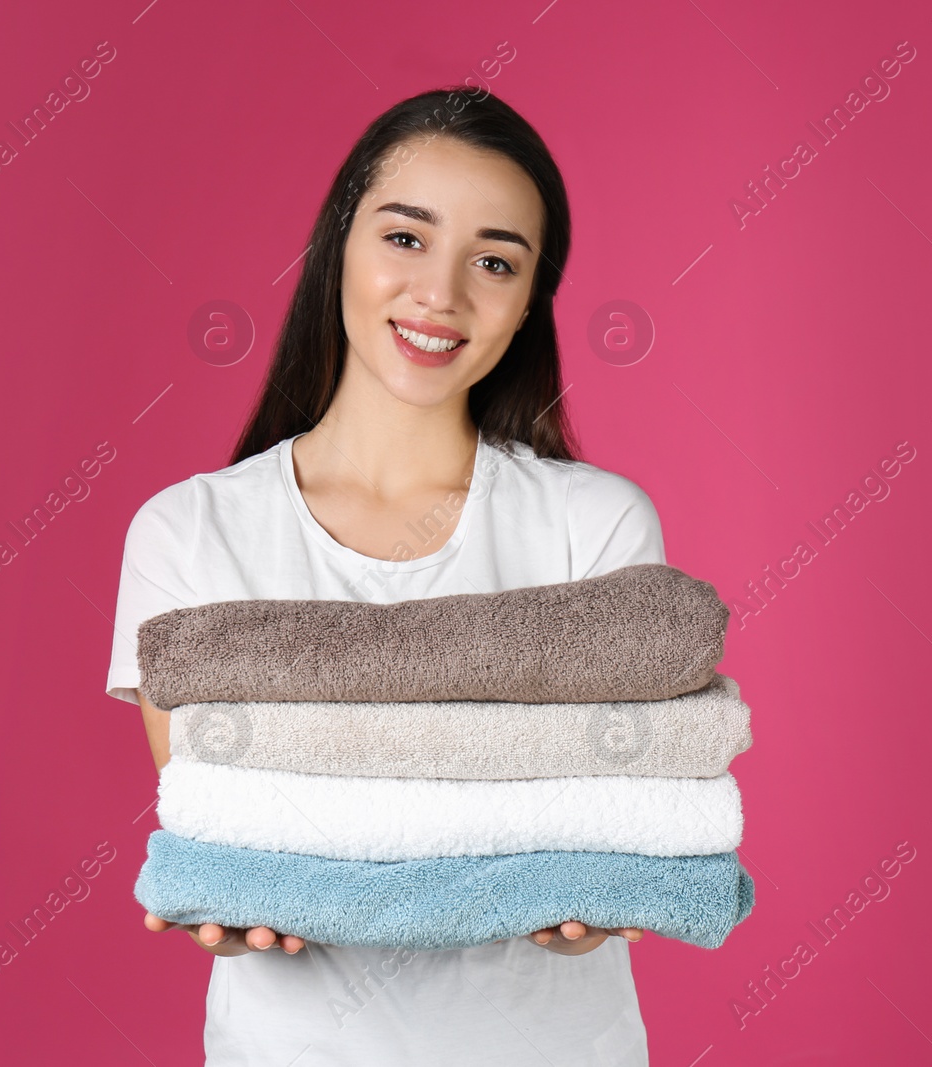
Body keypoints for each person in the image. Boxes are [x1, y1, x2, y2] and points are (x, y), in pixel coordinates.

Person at [106, 86, 667, 1065]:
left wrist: (607, 869)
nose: (440, 294)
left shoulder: (596, 524)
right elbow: (215, 812)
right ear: (340, 243)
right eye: (405, 238)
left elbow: (616, 810)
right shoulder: (188, 532)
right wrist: (231, 887)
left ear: (530, 299)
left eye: (493, 260)